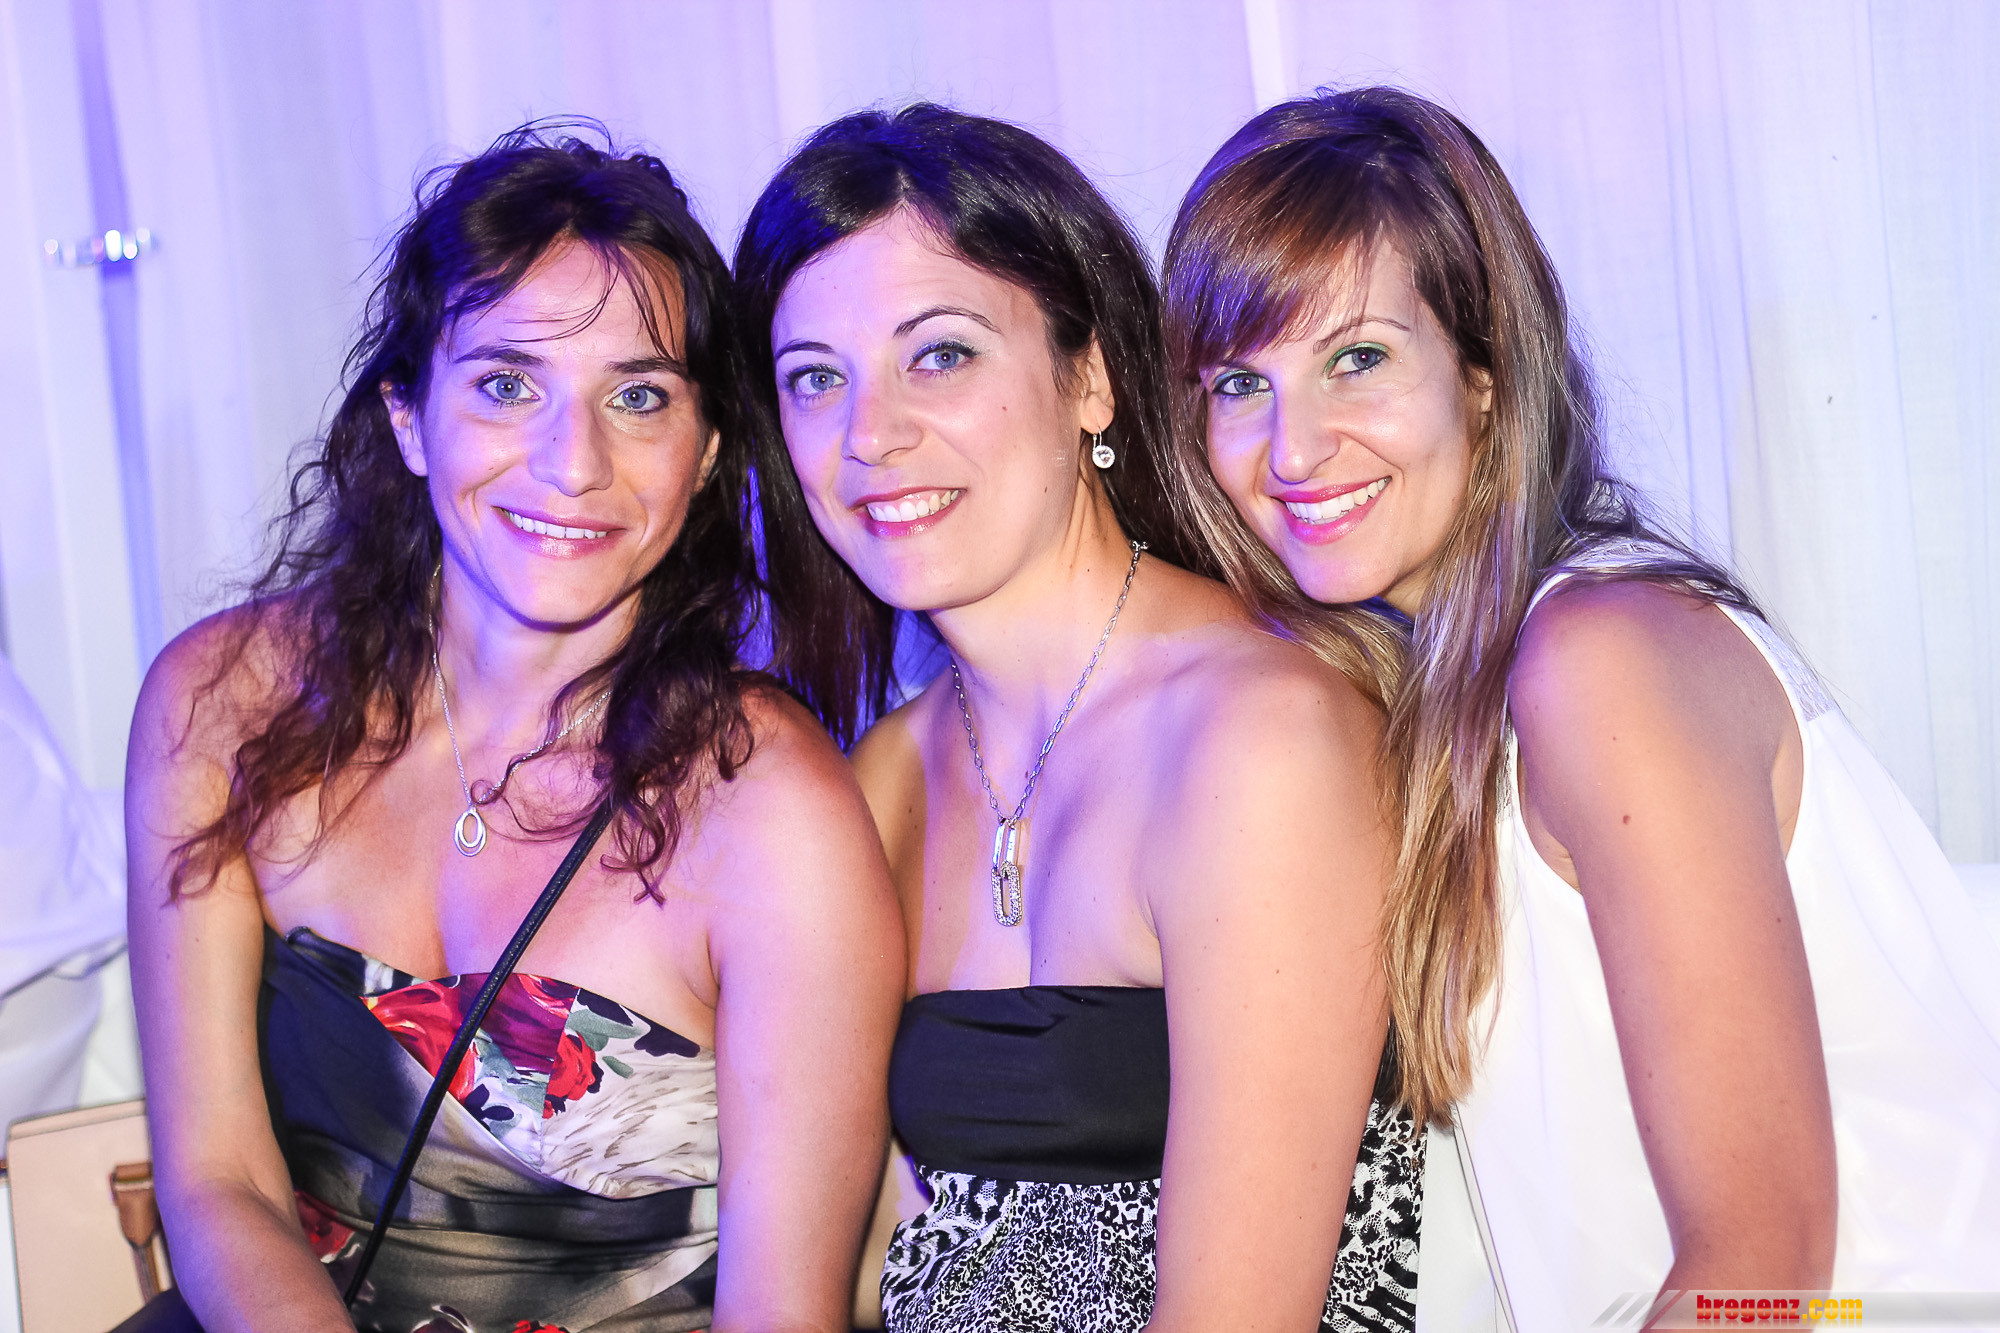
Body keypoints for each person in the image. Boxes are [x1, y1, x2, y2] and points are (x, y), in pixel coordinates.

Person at [1161, 86, 2000, 1328]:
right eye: (1240, 381)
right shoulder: (1442, 695)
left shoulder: (1594, 655)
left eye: (1356, 359)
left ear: (1483, 376)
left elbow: (1766, 1260)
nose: (1291, 450)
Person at [126, 125, 902, 1333]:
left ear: (706, 454)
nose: (572, 462)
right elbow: (218, 1180)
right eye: (505, 385)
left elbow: (781, 1313)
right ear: (408, 418)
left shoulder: (767, 806)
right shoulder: (222, 699)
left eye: (636, 397)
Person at [733, 104, 1421, 1333]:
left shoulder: (1257, 737)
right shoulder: (879, 778)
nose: (868, 435)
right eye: (815, 379)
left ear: (1089, 379)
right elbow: (853, 1264)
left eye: (939, 355)